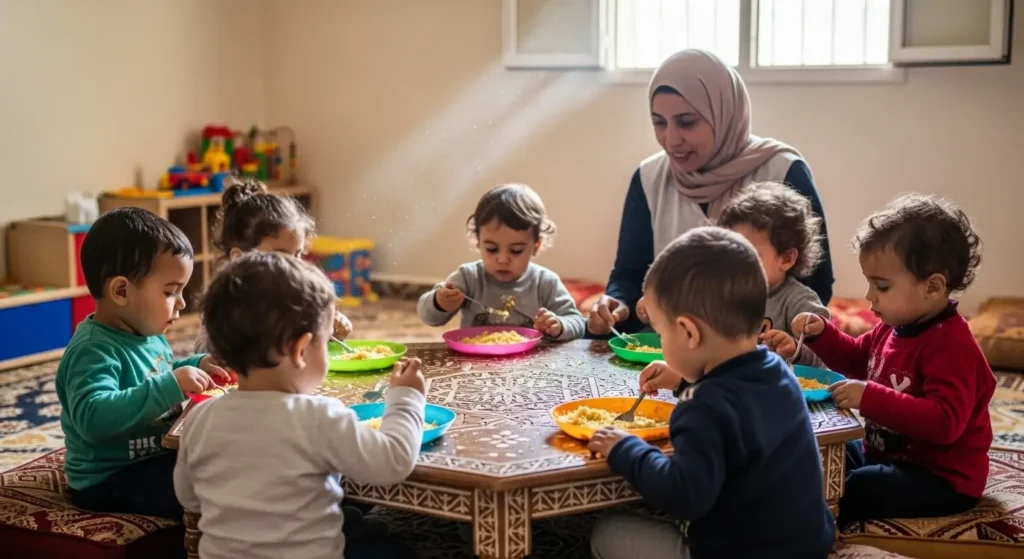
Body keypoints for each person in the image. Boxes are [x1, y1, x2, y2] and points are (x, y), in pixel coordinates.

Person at [588, 227, 834, 559]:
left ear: (688, 331)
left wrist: (626, 449)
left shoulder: (701, 407)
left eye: (661, 334)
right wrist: (682, 380)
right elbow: (741, 406)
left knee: (608, 532)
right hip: (807, 547)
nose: (661, 345)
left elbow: (684, 495)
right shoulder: (780, 372)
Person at [174, 252, 424, 559]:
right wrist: (405, 398)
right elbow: (392, 461)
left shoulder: (199, 419)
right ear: (302, 349)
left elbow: (189, 497)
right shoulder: (320, 417)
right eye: (325, 342)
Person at [776, 194, 995, 525]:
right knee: (827, 450)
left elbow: (945, 423)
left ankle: (808, 525)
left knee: (861, 487)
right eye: (869, 283)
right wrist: (822, 333)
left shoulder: (952, 347)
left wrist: (870, 397)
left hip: (941, 477)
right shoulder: (892, 327)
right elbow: (856, 358)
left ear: (933, 287)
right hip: (889, 456)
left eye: (882, 286)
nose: (868, 296)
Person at [587, 49, 834, 337]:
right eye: (659, 122)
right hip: (673, 348)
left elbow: (815, 282)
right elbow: (629, 275)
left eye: (687, 122)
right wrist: (616, 304)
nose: (671, 139)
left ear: (722, 113)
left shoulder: (783, 171)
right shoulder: (649, 178)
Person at [56, 207, 229, 523]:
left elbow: (158, 372)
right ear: (121, 291)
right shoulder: (93, 349)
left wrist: (198, 364)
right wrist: (171, 385)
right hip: (110, 478)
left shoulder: (146, 332)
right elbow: (92, 419)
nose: (182, 303)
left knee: (226, 463)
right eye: (170, 291)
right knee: (211, 490)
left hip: (153, 458)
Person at [194, 179, 351, 353]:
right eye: (279, 255)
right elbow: (206, 354)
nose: (293, 265)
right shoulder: (225, 304)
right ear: (239, 259)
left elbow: (308, 348)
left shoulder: (296, 294)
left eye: (297, 254)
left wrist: (328, 330)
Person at [417, 183, 586, 340]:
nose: (503, 259)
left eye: (516, 250)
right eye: (491, 249)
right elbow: (428, 317)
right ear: (478, 241)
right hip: (476, 361)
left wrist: (560, 325)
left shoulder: (545, 283)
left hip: (530, 365)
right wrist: (440, 303)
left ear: (536, 245)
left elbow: (578, 322)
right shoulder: (468, 277)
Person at [719, 181, 830, 366]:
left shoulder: (799, 302)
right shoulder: (724, 294)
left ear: (786, 258)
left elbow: (829, 355)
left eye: (749, 254)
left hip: (778, 390)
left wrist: (796, 349)